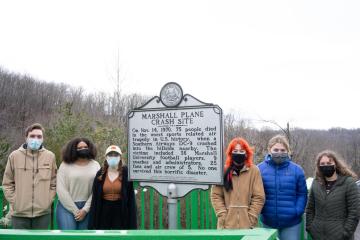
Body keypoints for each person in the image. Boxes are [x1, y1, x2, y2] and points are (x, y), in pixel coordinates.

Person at [2, 123, 57, 229]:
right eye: (32, 136)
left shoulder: (50, 156)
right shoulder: (14, 156)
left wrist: (47, 201)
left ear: (43, 139)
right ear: (26, 137)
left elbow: (54, 182)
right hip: (19, 214)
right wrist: (15, 201)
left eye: (39, 136)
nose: (35, 139)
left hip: (42, 213)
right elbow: (7, 183)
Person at [258, 135, 307, 240]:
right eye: (276, 149)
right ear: (269, 150)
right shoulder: (259, 169)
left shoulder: (297, 170)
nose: (279, 152)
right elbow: (255, 194)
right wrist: (261, 210)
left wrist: (297, 211)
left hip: (291, 223)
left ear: (288, 151)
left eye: (282, 150)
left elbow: (302, 194)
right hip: (267, 222)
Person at [211, 137, 265, 229]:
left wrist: (251, 217)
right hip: (226, 225)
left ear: (246, 153)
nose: (238, 154)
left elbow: (259, 197)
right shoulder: (223, 171)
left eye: (241, 151)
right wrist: (222, 214)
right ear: (230, 153)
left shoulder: (254, 171)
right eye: (235, 151)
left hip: (249, 226)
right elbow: (216, 195)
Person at [306, 150, 360, 240]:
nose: (326, 165)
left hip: (341, 236)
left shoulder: (348, 183)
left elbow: (354, 212)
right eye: (322, 163)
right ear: (319, 166)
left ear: (336, 164)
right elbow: (310, 208)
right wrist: (310, 228)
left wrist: (346, 233)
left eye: (329, 163)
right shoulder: (316, 183)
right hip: (318, 235)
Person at [88, 145, 137, 229]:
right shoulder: (100, 174)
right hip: (104, 210)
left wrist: (132, 223)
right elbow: (95, 199)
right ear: (106, 157)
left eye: (116, 155)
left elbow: (130, 198)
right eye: (110, 155)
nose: (113, 157)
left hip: (120, 210)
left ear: (120, 157)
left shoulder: (126, 173)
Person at [56, 137, 100, 230]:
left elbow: (97, 190)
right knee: (69, 237)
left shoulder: (96, 165)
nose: (82, 149)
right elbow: (61, 190)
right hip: (66, 207)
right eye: (79, 148)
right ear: (73, 150)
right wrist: (75, 210)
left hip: (88, 208)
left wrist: (85, 209)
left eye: (85, 147)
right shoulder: (65, 165)